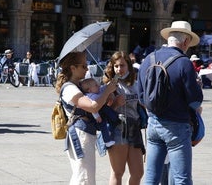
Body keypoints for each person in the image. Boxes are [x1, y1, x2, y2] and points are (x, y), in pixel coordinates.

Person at [137, 20, 203, 184]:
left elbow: (141, 97)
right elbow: (195, 100)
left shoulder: (148, 60)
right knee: (181, 178)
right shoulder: (184, 62)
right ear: (186, 41)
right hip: (177, 126)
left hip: (153, 123)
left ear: (169, 39)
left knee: (151, 177)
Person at [55, 51, 117, 185]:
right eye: (83, 66)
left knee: (83, 177)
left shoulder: (79, 86)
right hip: (80, 134)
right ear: (73, 68)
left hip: (85, 133)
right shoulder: (70, 89)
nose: (87, 68)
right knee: (84, 179)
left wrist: (108, 95)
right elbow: (92, 107)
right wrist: (107, 91)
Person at [103, 51, 145, 185]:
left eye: (122, 65)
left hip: (134, 129)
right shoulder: (110, 86)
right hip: (118, 129)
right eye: (116, 66)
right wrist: (115, 103)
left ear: (129, 66)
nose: (119, 69)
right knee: (117, 172)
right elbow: (102, 112)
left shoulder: (136, 84)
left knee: (138, 172)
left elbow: (143, 103)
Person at [80, 77, 117, 148]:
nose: (98, 86)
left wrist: (109, 85)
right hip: (98, 115)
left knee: (109, 119)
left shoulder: (97, 91)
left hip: (103, 111)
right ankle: (107, 141)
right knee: (103, 126)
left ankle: (114, 121)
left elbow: (104, 88)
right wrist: (97, 116)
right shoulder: (91, 96)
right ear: (89, 90)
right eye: (96, 85)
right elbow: (93, 109)